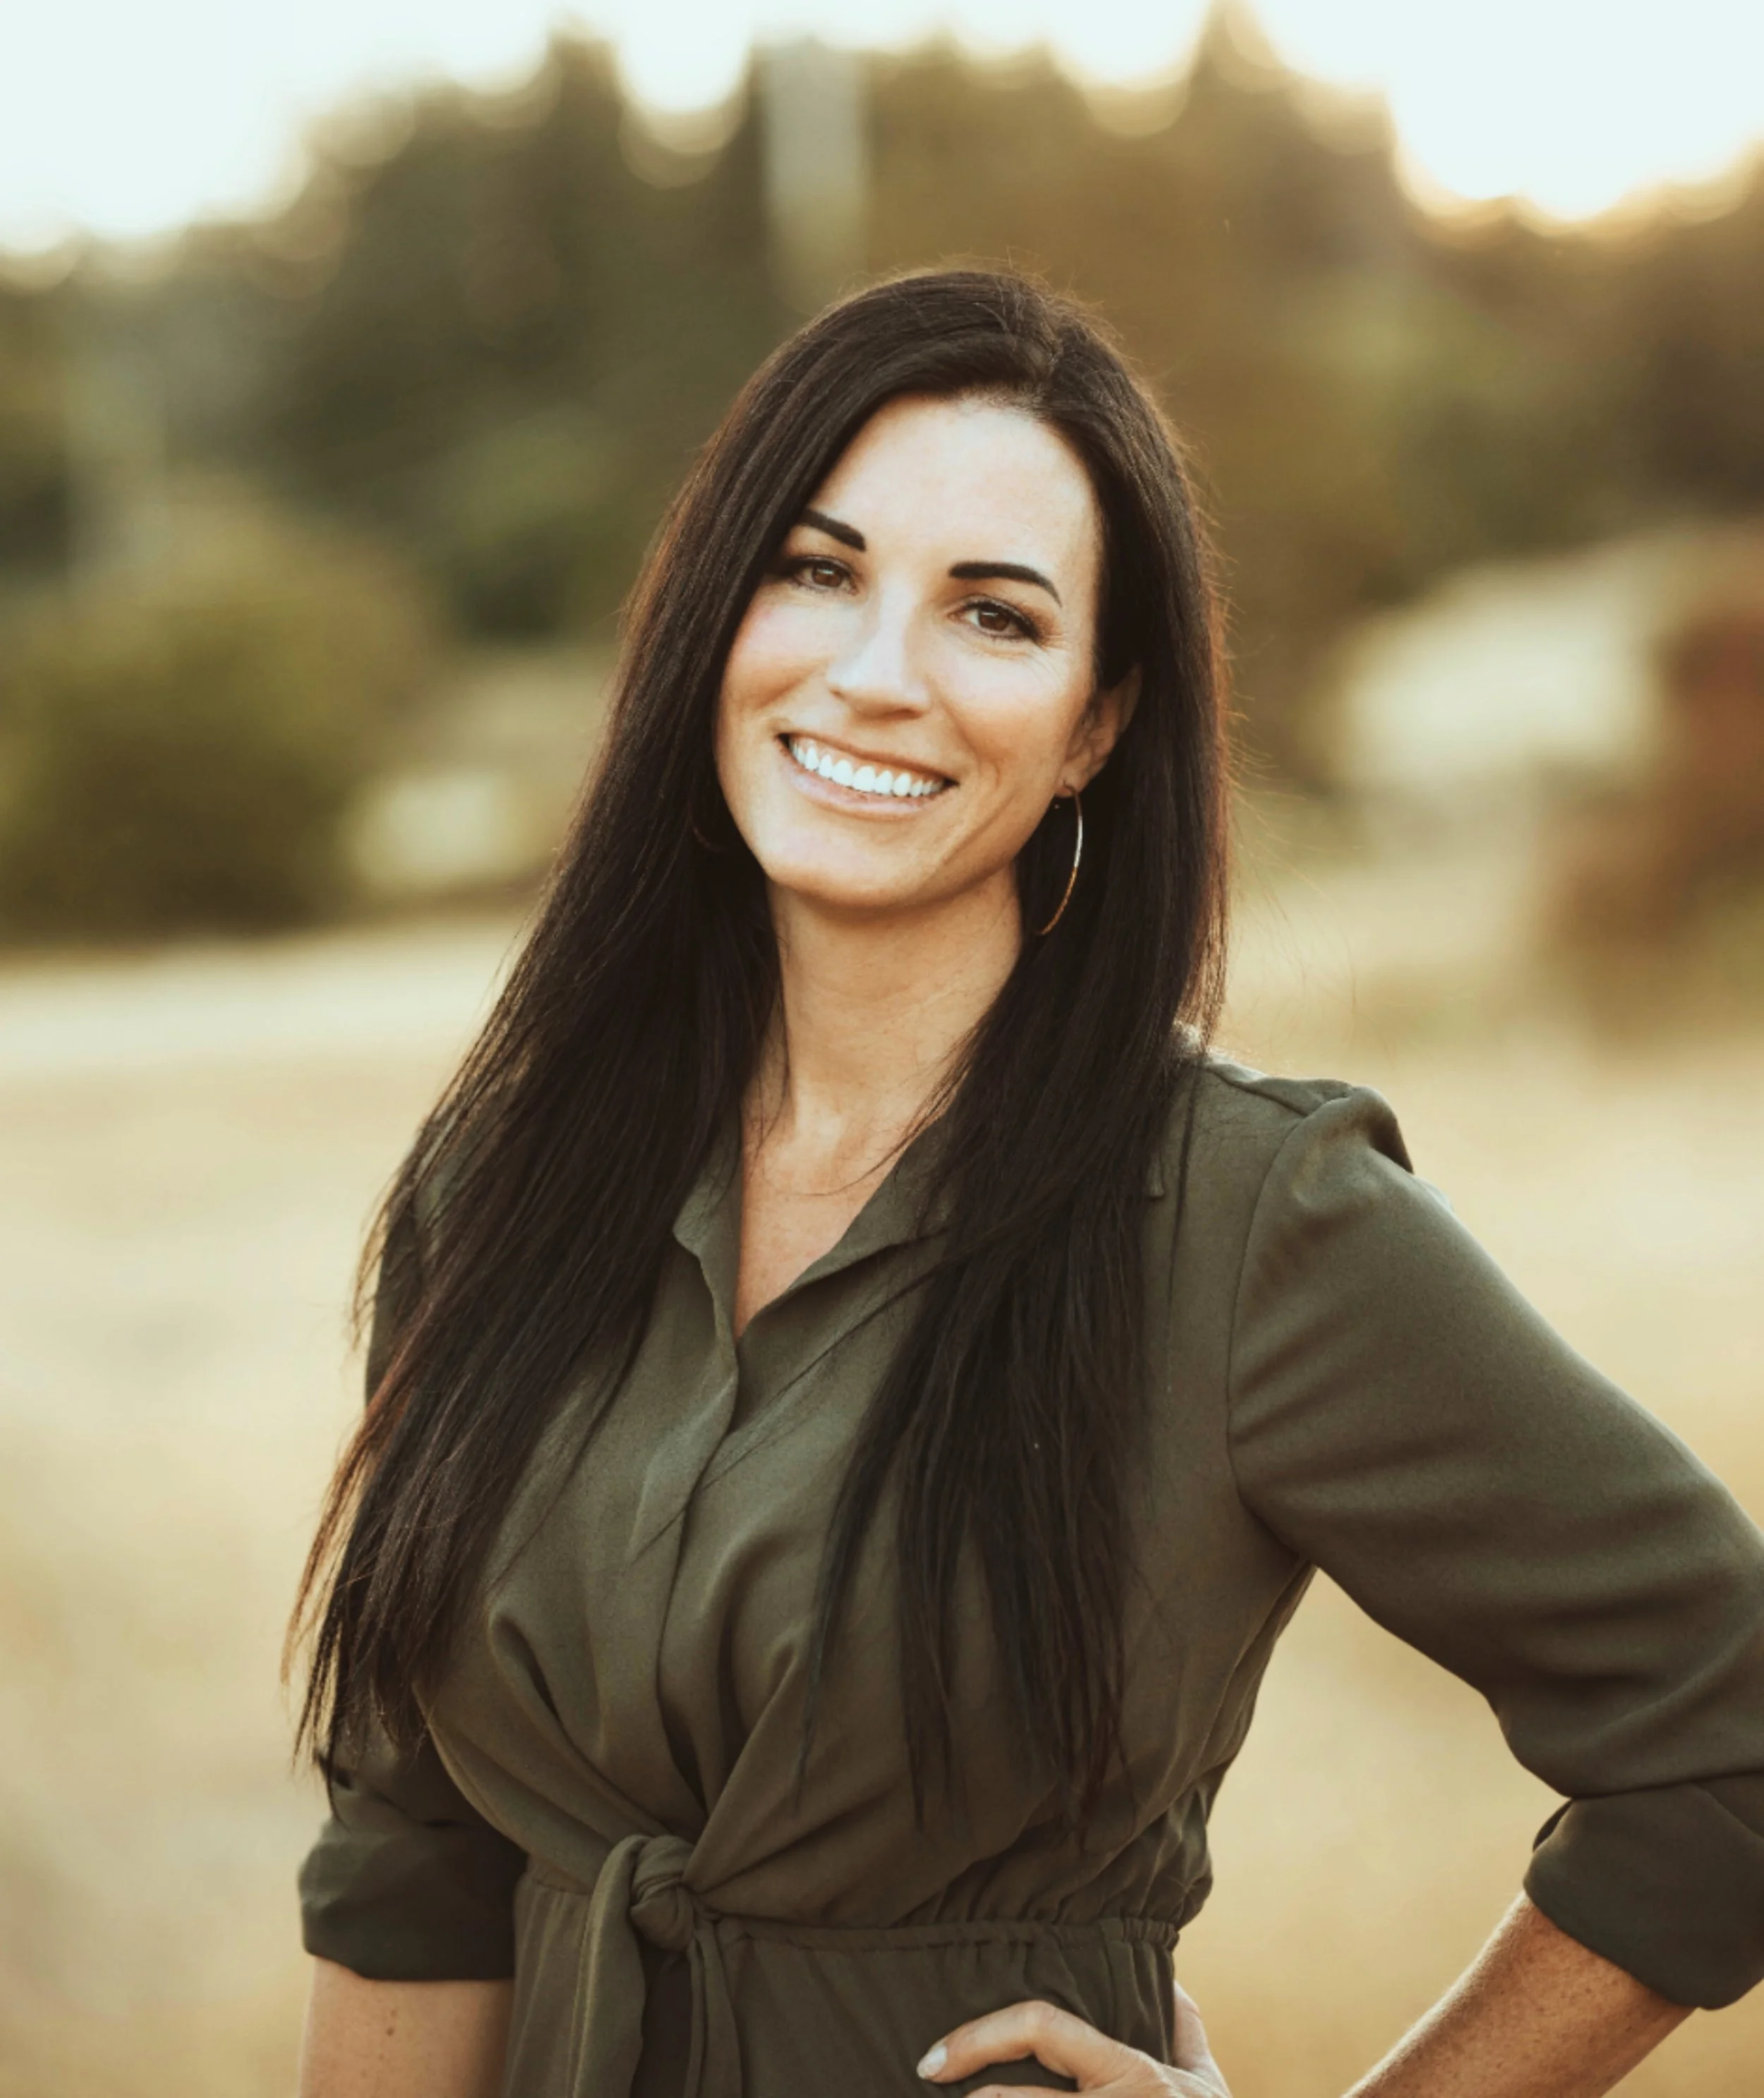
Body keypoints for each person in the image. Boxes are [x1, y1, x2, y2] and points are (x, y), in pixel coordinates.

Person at [289, 268, 1764, 2098]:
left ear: (1092, 726)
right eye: (816, 570)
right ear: (710, 617)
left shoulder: (1246, 1219)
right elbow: (414, 1855)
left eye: (993, 614)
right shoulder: (499, 1188)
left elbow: (1725, 1729)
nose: (876, 673)